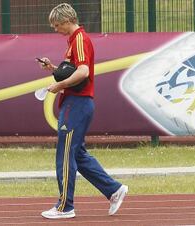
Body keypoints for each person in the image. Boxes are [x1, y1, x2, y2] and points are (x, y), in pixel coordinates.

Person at [37, 3, 128, 219]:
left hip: (76, 104)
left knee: (65, 154)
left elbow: (83, 72)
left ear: (68, 21)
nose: (55, 29)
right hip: (78, 103)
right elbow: (72, 71)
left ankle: (65, 207)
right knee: (77, 154)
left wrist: (58, 86)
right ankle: (113, 189)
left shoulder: (79, 39)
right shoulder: (75, 40)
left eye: (57, 25)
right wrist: (52, 69)